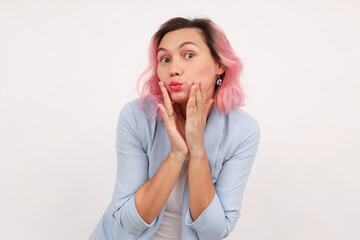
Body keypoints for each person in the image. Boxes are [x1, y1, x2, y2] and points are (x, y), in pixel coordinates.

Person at [89, 17, 260, 240]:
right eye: (165, 59)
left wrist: (197, 150)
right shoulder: (136, 116)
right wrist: (177, 154)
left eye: (189, 55)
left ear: (220, 64)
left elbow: (215, 232)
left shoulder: (242, 131)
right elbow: (129, 222)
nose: (173, 69)